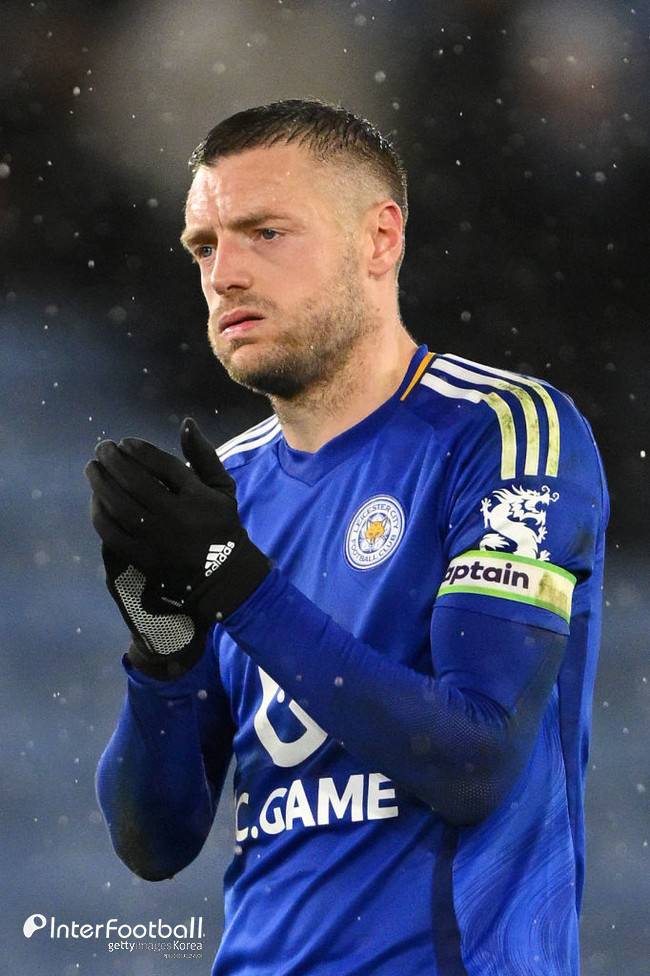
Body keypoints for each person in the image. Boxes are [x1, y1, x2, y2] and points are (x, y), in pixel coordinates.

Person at [86, 99, 609, 976]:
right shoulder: (229, 490)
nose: (224, 275)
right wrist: (161, 656)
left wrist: (238, 584)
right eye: (204, 248)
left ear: (379, 239)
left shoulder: (503, 433)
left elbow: (474, 762)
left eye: (265, 233)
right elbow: (155, 842)